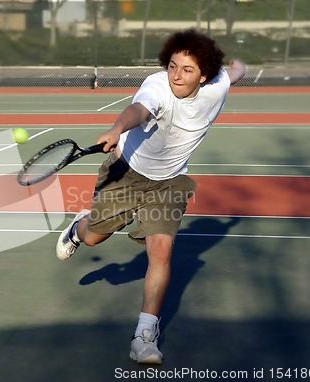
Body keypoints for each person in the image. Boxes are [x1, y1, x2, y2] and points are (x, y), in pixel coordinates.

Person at [56, 29, 246, 364]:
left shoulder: (217, 86)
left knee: (160, 250)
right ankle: (78, 227)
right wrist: (117, 129)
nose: (176, 74)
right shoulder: (157, 87)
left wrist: (237, 66)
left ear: (204, 76)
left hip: (169, 182)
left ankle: (144, 336)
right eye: (173, 65)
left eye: (187, 70)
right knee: (93, 238)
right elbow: (139, 110)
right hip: (126, 172)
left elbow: (234, 73)